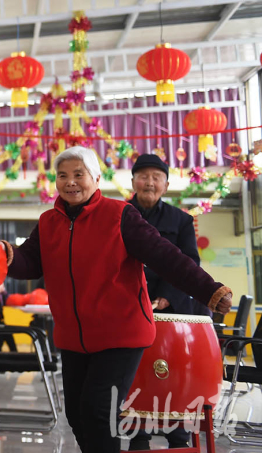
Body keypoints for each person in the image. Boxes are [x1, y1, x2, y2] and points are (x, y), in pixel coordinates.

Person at [2, 146, 232, 453]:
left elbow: (168, 258)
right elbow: (29, 263)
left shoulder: (120, 215)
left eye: (78, 174)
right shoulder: (47, 222)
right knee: (77, 416)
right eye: (62, 176)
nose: (70, 182)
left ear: (96, 178)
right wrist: (5, 256)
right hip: (73, 337)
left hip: (121, 334)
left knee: (98, 412)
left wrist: (209, 290)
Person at [127, 154, 208, 450]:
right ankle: (137, 433)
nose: (150, 182)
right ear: (133, 181)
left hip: (172, 314)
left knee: (172, 372)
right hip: (129, 312)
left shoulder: (182, 220)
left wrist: (164, 298)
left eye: (156, 177)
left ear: (166, 184)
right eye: (144, 176)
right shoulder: (119, 214)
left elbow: (189, 263)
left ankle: (178, 435)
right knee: (135, 372)